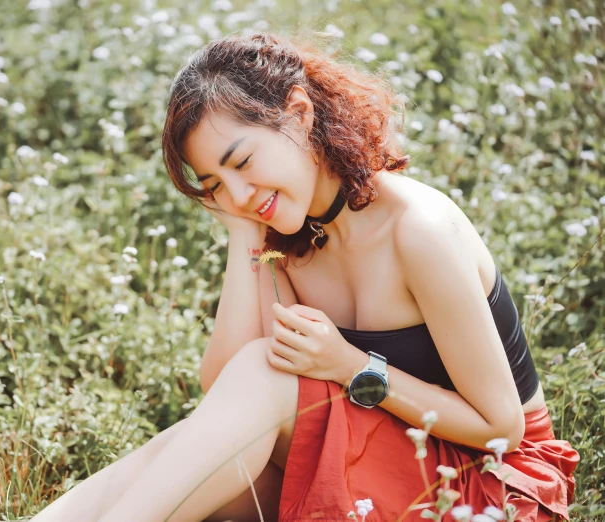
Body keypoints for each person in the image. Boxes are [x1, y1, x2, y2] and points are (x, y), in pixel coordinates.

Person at [30, 31, 579, 522]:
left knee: (255, 388)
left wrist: (352, 366)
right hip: (392, 459)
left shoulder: (417, 229)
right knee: (213, 465)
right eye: (214, 185)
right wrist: (242, 229)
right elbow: (225, 394)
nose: (238, 195)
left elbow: (502, 429)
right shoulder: (291, 234)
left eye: (241, 163)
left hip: (489, 483)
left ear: (298, 113)